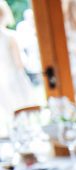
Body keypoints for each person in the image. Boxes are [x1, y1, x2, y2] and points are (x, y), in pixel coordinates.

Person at [0, 1, 35, 130]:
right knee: (24, 114)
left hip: (2, 82)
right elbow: (19, 63)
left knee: (10, 117)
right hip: (14, 79)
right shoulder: (10, 36)